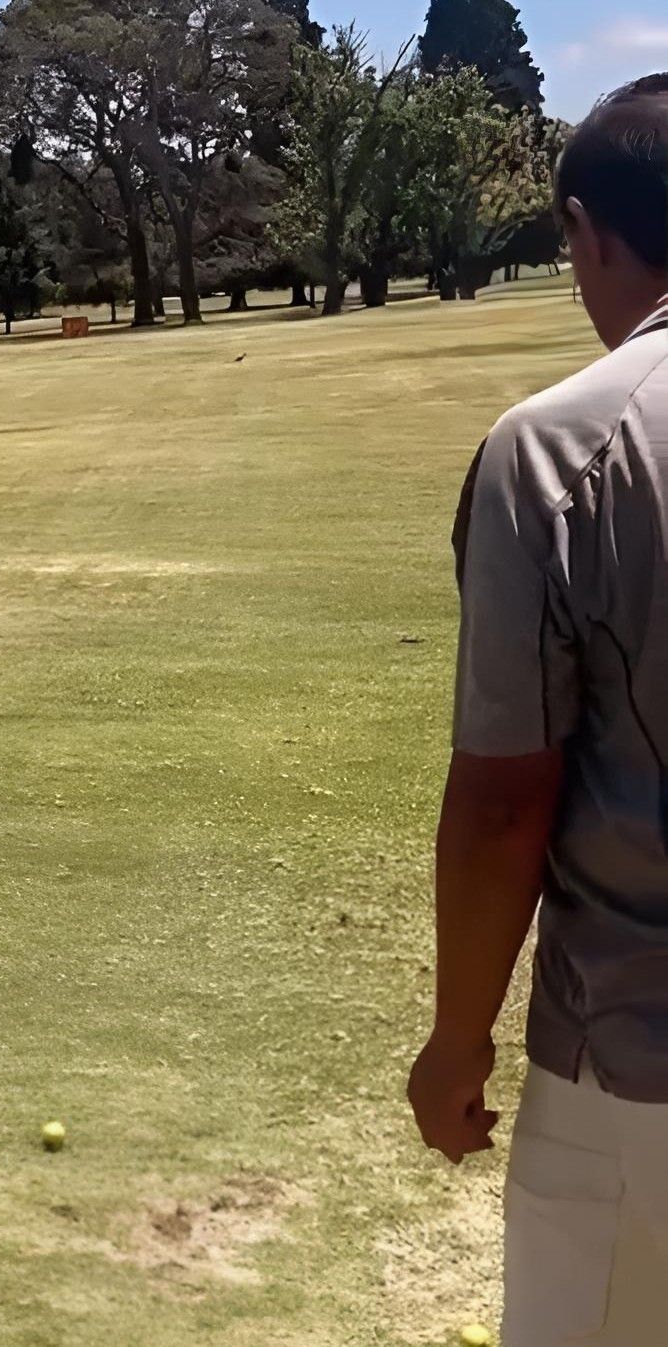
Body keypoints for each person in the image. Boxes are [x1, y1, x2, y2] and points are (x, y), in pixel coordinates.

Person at [407, 75, 668, 1343]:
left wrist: (456, 1046)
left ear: (588, 232)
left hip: (635, 1061)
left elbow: (506, 798)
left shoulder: (558, 447)